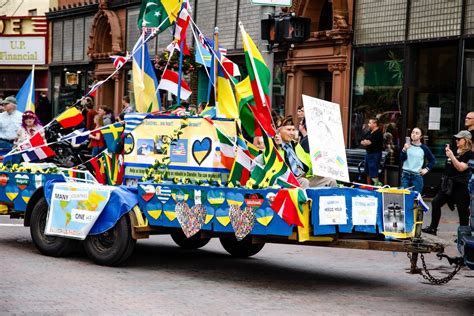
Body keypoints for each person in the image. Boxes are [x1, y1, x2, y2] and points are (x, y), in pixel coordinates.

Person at [422, 130, 473, 236]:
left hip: (460, 186)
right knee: (436, 203)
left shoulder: (470, 154)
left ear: (466, 140)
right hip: (448, 185)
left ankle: (463, 235)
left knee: (462, 211)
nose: (457, 141)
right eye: (456, 139)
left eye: (459, 139)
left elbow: (461, 168)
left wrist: (452, 156)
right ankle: (433, 228)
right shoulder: (454, 150)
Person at [275, 116, 337, 188]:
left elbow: (307, 160)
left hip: (305, 177)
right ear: (279, 131)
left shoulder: (296, 145)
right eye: (288, 130)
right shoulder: (274, 145)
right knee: (304, 181)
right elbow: (277, 165)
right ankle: (307, 200)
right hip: (288, 181)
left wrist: (320, 166)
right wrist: (280, 146)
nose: (292, 133)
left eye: (293, 130)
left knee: (331, 180)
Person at [400, 127, 436, 194]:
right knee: (404, 197)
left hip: (417, 176)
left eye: (417, 133)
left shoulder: (424, 148)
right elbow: (402, 159)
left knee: (416, 198)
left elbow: (433, 160)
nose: (414, 134)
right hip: (405, 175)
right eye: (413, 132)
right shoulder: (407, 145)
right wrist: (404, 149)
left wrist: (426, 169)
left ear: (421, 136)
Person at [360, 117, 384, 186]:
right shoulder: (370, 131)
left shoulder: (378, 133)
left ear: (375, 124)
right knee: (367, 172)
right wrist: (365, 141)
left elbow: (368, 142)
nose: (368, 124)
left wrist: (365, 142)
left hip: (375, 155)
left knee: (373, 172)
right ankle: (369, 186)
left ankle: (377, 186)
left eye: (370, 123)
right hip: (368, 154)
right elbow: (362, 140)